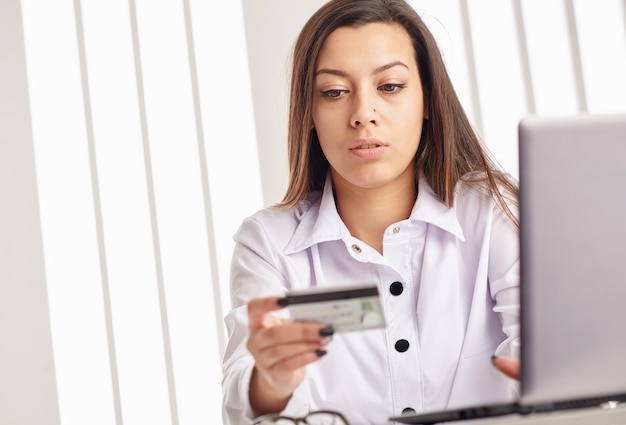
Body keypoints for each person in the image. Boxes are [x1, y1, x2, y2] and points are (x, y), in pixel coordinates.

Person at [222, 0, 521, 423]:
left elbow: (546, 355)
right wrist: (271, 381)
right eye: (334, 92)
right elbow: (243, 401)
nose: (364, 114)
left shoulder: (492, 212)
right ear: (309, 111)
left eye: (391, 86)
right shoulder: (267, 243)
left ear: (428, 99)